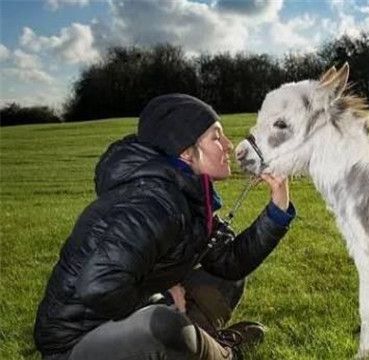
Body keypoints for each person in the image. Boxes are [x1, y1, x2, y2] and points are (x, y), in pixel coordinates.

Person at [34, 94, 295, 360]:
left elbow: (230, 262)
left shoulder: (186, 193)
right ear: (185, 150)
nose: (228, 145)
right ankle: (224, 354)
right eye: (216, 137)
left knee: (227, 278)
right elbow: (98, 287)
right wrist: (158, 295)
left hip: (118, 318)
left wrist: (278, 205)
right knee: (162, 325)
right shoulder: (150, 203)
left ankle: (202, 340)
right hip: (76, 344)